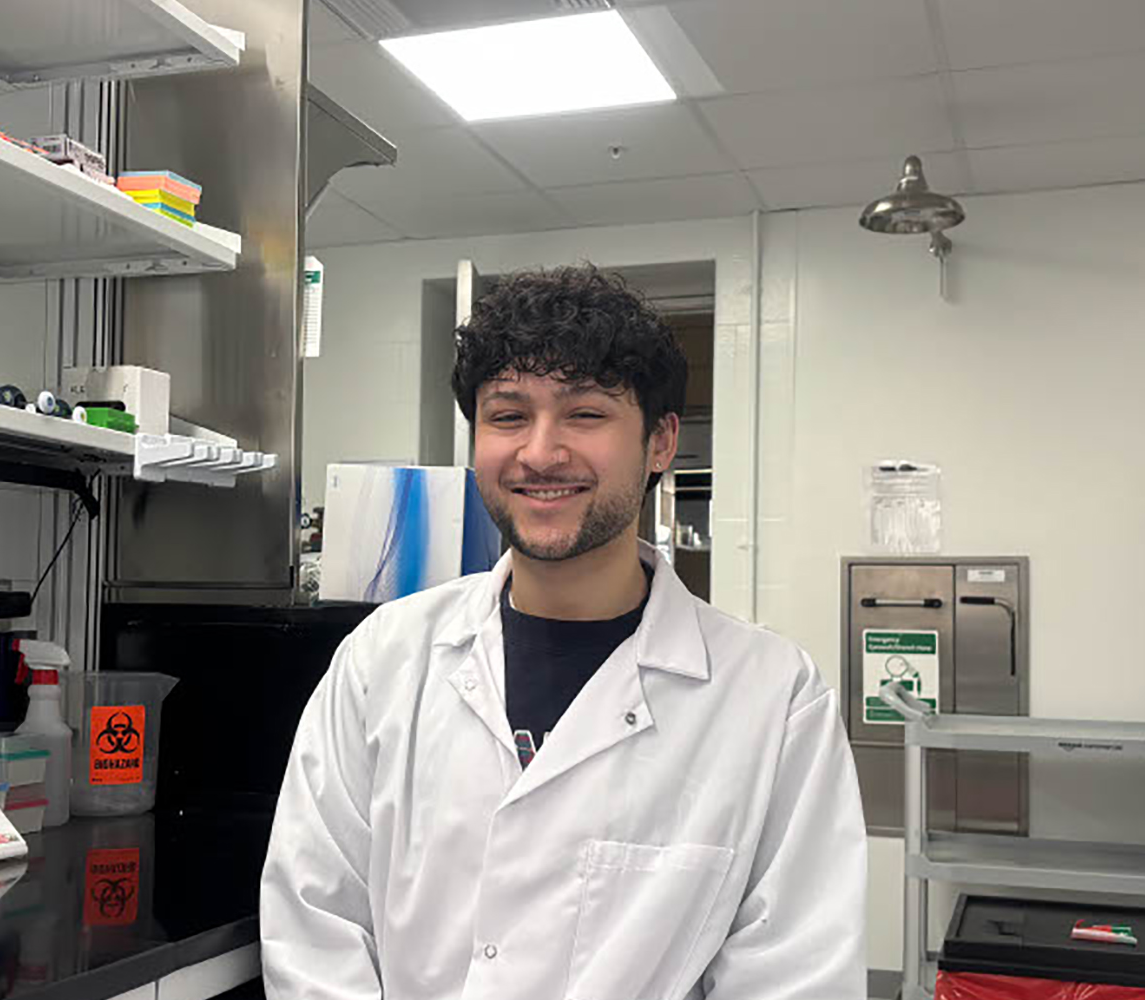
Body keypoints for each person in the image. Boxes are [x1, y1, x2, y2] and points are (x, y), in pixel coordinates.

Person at [261, 264, 865, 1000]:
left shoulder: (774, 698)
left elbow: (794, 976)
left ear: (661, 442)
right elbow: (314, 927)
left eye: (585, 414)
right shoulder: (381, 659)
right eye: (508, 415)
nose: (541, 453)